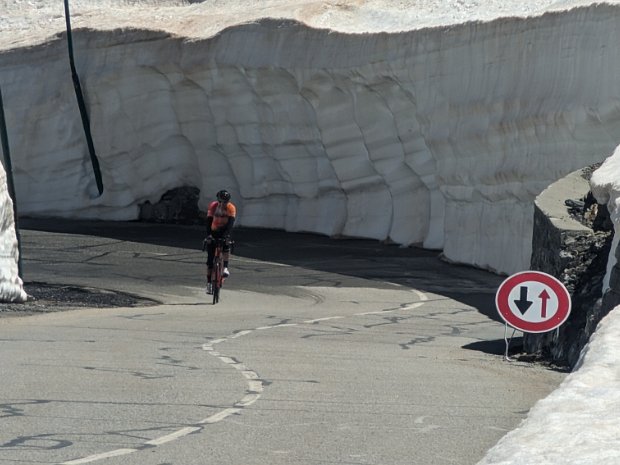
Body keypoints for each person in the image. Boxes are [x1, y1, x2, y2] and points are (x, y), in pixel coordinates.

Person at [205, 189, 236, 295]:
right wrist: (209, 235)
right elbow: (209, 222)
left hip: (224, 231)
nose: (224, 204)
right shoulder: (213, 206)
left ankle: (225, 267)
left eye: (226, 202)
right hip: (214, 231)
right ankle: (209, 283)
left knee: (227, 245)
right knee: (210, 261)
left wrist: (227, 236)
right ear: (218, 200)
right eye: (222, 201)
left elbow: (230, 224)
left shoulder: (231, 208)